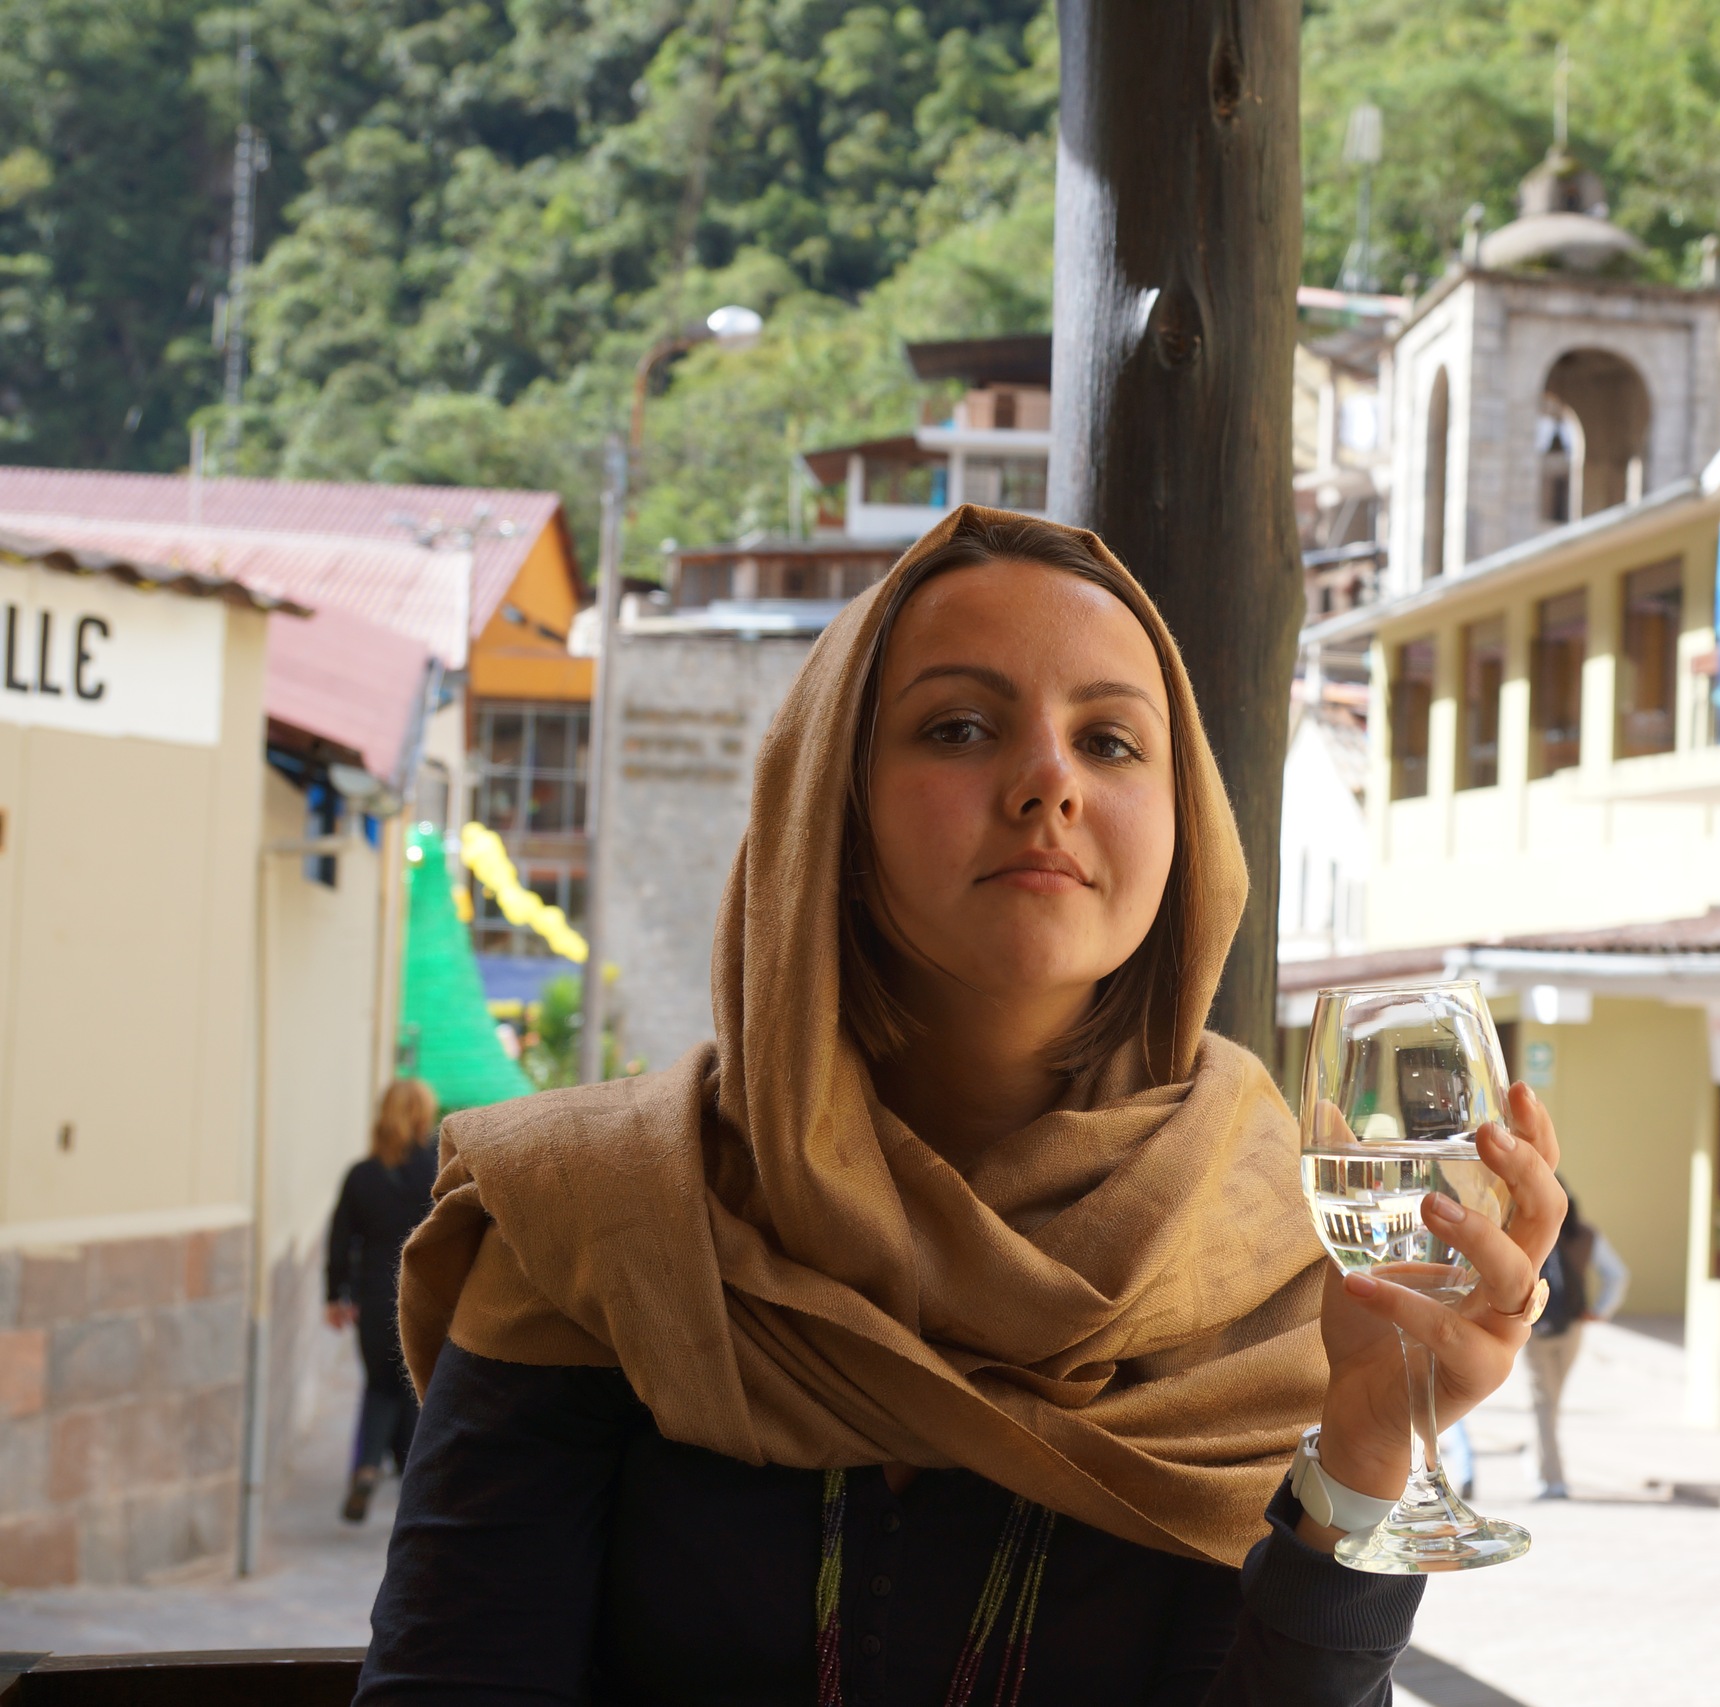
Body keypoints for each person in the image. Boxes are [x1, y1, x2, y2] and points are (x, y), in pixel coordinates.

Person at [356, 508, 1568, 1705]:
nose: (1048, 783)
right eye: (959, 728)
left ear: (1186, 830)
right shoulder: (593, 1219)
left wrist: (1366, 1453)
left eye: (1109, 742)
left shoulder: (1276, 1266)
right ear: (830, 810)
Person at [326, 1077, 441, 1523]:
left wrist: (335, 1295)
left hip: (374, 1299)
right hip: (426, 1298)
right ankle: (414, 1489)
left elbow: (341, 1240)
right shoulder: (438, 1172)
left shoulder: (362, 1175)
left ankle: (367, 1469)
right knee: (413, 1389)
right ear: (423, 1116)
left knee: (380, 1387)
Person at [1526, 1192, 1628, 1500]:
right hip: (1572, 1328)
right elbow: (1618, 1275)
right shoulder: (1585, 1236)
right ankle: (1545, 1467)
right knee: (1550, 1402)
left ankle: (1550, 1476)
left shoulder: (1527, 1233)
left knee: (1545, 1402)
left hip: (1534, 1330)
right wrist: (1600, 1311)